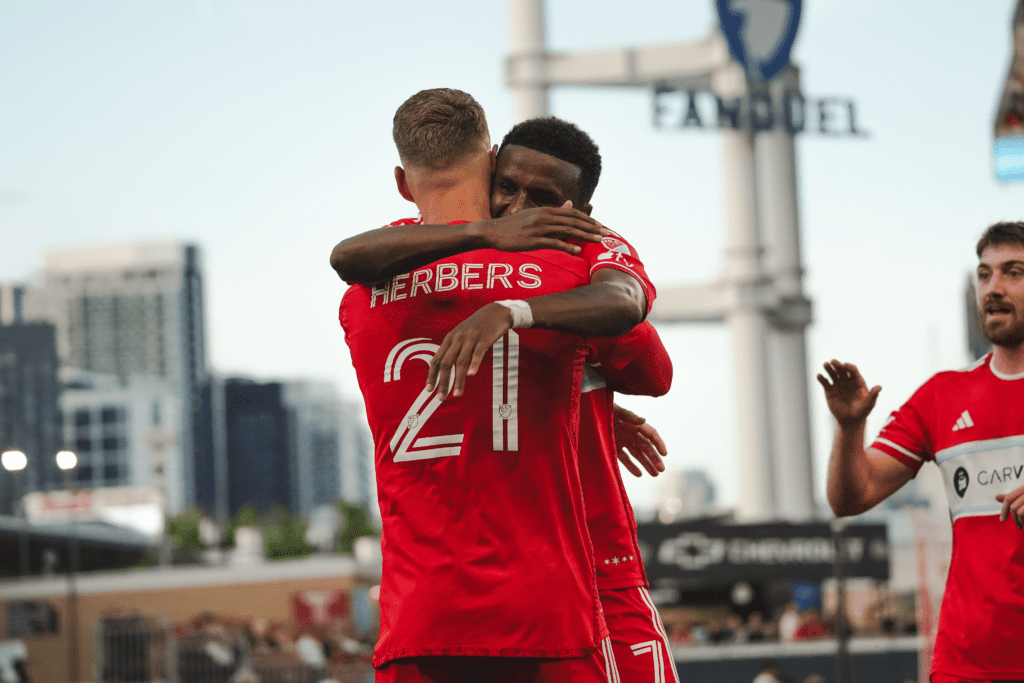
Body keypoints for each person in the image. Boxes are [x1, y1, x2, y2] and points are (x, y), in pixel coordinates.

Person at [334, 111, 679, 683]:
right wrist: (574, 359)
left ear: (578, 214)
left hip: (455, 598)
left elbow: (346, 261)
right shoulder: (568, 270)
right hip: (560, 586)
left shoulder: (400, 262)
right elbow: (652, 370)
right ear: (489, 164)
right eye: (507, 186)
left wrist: (567, 377)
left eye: (541, 198)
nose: (517, 208)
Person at [817, 220, 1024, 682]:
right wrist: (850, 428)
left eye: (1013, 272)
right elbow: (851, 498)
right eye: (984, 274)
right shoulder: (943, 396)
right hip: (965, 664)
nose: (993, 288)